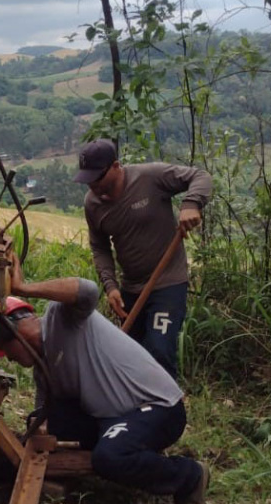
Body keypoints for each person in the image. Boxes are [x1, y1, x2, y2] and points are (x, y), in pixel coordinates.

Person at [0, 253, 210, 504]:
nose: (9, 359)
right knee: (53, 421)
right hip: (114, 415)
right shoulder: (43, 371)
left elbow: (88, 290)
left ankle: (190, 476)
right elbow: (42, 419)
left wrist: (23, 288)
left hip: (158, 408)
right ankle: (135, 451)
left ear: (16, 331)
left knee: (110, 458)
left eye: (7, 352)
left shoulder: (63, 317)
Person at [75, 139, 213, 380]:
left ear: (116, 166)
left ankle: (168, 411)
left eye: (97, 177)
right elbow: (100, 247)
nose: (92, 185)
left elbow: (201, 176)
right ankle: (137, 411)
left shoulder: (151, 177)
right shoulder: (92, 204)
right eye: (87, 179)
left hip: (168, 283)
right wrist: (110, 286)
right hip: (130, 288)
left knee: (159, 350)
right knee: (129, 356)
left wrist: (191, 204)